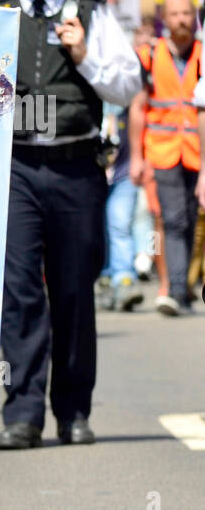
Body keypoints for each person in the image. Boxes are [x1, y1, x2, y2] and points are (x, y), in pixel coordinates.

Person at [0, 0, 140, 450]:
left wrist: (83, 54)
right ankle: (22, 413)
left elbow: (127, 86)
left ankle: (73, 411)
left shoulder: (88, 12)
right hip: (18, 167)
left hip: (76, 165)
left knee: (75, 290)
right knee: (20, 291)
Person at [129, 0, 201, 315]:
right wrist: (136, 156)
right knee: (168, 220)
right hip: (161, 152)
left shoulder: (202, 54)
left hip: (197, 153)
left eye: (186, 13)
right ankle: (171, 289)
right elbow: (138, 107)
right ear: (165, 19)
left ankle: (180, 285)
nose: (181, 19)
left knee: (189, 221)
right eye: (174, 14)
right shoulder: (150, 54)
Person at [97, 16, 157, 313]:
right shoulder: (89, 75)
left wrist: (138, 158)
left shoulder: (129, 84)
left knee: (120, 221)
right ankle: (106, 275)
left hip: (121, 169)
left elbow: (138, 110)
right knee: (99, 226)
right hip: (91, 168)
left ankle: (124, 278)